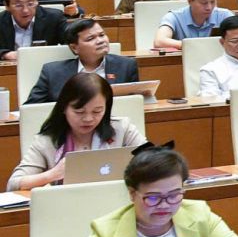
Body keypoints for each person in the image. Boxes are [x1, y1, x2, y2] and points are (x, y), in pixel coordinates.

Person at [70, 144, 238, 237]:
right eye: (154, 198)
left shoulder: (199, 215)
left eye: (173, 195)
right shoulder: (105, 231)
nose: (165, 205)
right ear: (132, 194)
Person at [10, 73, 143, 191]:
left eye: (97, 111)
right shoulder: (47, 141)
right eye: (79, 112)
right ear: (64, 108)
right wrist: (53, 174)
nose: (88, 119)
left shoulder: (122, 129)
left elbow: (155, 160)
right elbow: (14, 183)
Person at [27, 18, 139, 105]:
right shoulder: (52, 72)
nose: (100, 41)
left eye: (102, 35)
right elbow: (30, 108)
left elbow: (136, 103)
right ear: (75, 48)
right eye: (91, 39)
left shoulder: (126, 66)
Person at [0, 0, 65, 61]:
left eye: (30, 4)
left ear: (37, 1)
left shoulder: (54, 18)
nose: (25, 10)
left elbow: (72, 42)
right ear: (7, 5)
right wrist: (4, 54)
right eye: (18, 5)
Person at [155, 0, 223, 51]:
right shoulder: (173, 17)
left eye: (213, 1)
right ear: (189, 1)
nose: (209, 7)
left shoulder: (224, 15)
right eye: (204, 3)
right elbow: (159, 41)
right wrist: (196, 46)